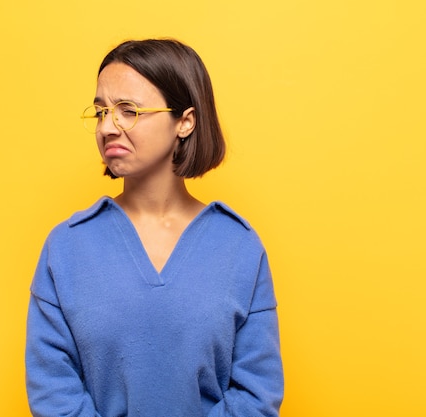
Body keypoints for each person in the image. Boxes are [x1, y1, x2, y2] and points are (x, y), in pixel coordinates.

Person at [25, 38, 283, 417]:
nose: (108, 127)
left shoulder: (239, 246)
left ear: (185, 121)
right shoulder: (66, 247)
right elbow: (52, 391)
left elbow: (256, 392)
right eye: (101, 112)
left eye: (128, 110)